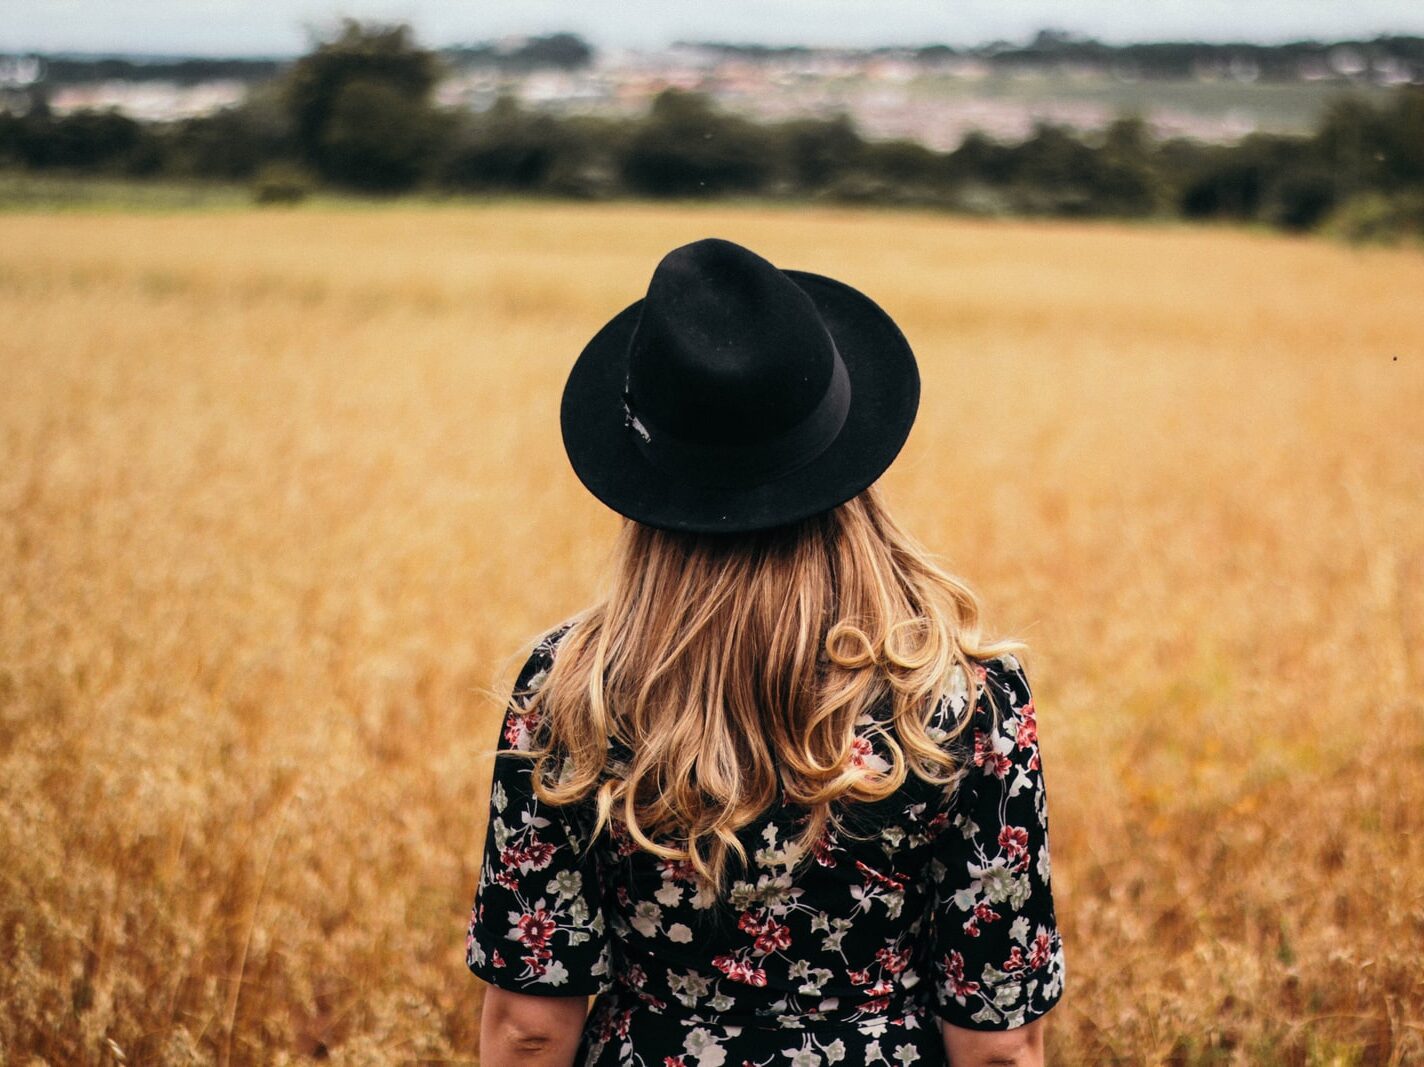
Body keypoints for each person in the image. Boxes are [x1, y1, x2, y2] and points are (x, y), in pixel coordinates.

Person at [465, 237, 1066, 1066]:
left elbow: (530, 1025)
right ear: (847, 447)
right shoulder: (964, 698)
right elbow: (998, 1043)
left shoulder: (572, 687)